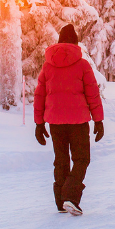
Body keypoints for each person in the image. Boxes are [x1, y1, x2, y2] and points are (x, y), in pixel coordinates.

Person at [33, 24, 105, 215]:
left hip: (55, 123)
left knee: (61, 160)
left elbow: (39, 95)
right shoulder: (82, 65)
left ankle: (60, 201)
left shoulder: (48, 66)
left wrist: (39, 123)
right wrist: (98, 120)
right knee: (82, 159)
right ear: (75, 43)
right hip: (78, 122)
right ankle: (70, 197)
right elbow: (93, 94)